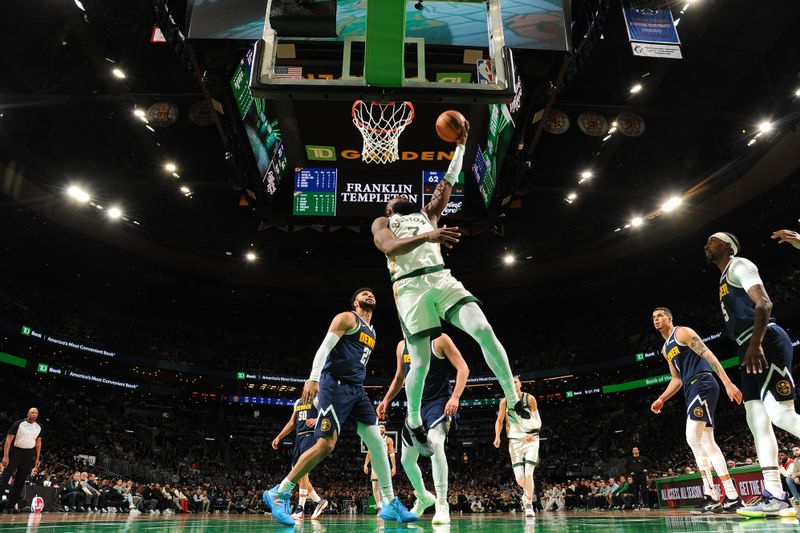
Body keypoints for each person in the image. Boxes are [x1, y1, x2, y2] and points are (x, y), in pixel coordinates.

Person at [371, 118, 530, 458]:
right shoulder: (385, 221)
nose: (402, 193)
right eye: (396, 196)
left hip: (441, 277)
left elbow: (449, 179)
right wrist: (428, 235)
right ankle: (413, 419)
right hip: (409, 288)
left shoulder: (429, 213)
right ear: (389, 207)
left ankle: (513, 400)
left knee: (483, 329)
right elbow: (387, 247)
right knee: (422, 362)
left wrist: (460, 146)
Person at [263, 288, 417, 526]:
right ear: (355, 302)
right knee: (326, 446)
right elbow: (325, 348)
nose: (369, 295)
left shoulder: (373, 331)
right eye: (364, 294)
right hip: (334, 385)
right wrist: (313, 377)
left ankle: (389, 503)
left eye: (372, 293)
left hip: (357, 389)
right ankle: (279, 492)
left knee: (376, 440)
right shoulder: (347, 318)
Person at [705, 232, 800, 518]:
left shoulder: (739, 265)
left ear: (728, 246)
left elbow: (765, 304)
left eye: (712, 240)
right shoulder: (723, 278)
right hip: (747, 345)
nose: (706, 244)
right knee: (756, 420)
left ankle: (776, 495)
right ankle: (775, 495)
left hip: (764, 340)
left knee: (781, 415)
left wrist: (756, 344)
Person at [650, 307, 743, 513]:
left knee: (692, 437)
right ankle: (732, 497)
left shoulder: (682, 332)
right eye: (653, 318)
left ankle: (711, 495)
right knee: (708, 442)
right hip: (690, 387)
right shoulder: (666, 348)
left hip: (702, 382)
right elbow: (676, 379)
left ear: (670, 318)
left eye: (660, 316)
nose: (656, 320)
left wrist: (727, 383)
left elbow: (707, 354)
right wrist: (661, 398)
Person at [377, 333, 469, 523]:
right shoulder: (401, 346)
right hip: (414, 407)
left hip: (437, 403)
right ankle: (423, 496)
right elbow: (399, 377)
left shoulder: (439, 340)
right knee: (406, 459)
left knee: (436, 445)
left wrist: (456, 397)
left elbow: (463, 368)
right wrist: (386, 399)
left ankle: (442, 504)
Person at [271, 396, 328, 520]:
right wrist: (279, 437)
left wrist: (317, 419)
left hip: (311, 435)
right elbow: (292, 423)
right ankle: (319, 501)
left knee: (302, 469)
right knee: (296, 472)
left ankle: (300, 508)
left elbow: (329, 415)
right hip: (298, 437)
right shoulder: (297, 402)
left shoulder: (317, 400)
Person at [494, 376, 541, 517]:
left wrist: (532, 434)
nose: (512, 384)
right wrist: (497, 436)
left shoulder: (530, 399)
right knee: (520, 478)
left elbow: (537, 421)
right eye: (509, 382)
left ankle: (528, 504)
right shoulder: (504, 402)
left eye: (514, 381)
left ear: (520, 384)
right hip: (514, 442)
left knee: (528, 474)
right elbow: (499, 420)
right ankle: (527, 494)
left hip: (531, 440)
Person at [0, 407, 42, 513]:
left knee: (21, 480)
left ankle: (11, 505)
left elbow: (38, 443)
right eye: (32, 412)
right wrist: (5, 456)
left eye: (36, 413)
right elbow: (8, 440)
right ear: (28, 413)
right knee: (5, 477)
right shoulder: (18, 423)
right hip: (15, 452)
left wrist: (37, 458)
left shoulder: (39, 427)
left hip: (28, 454)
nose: (34, 414)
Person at [363, 424, 396, 516]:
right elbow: (369, 452)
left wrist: (394, 467)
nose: (381, 428)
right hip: (374, 464)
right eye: (380, 427)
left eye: (383, 427)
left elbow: (392, 454)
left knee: (385, 487)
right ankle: (379, 507)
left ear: (385, 430)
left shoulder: (388, 440)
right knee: (375, 487)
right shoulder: (372, 438)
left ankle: (389, 507)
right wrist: (366, 464)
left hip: (384, 464)